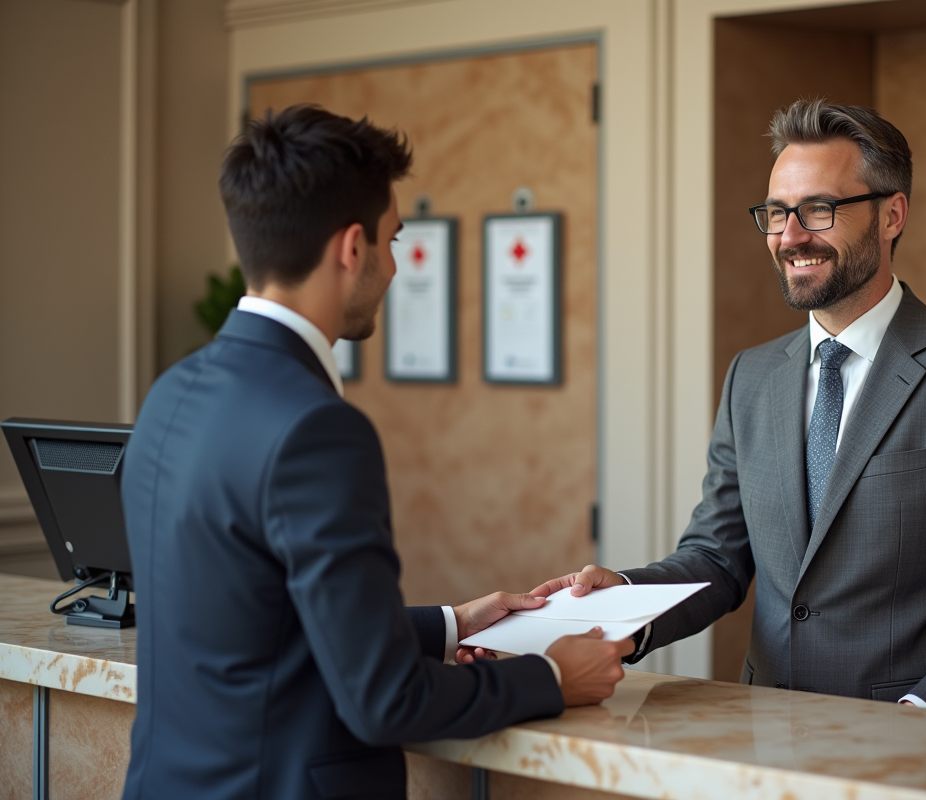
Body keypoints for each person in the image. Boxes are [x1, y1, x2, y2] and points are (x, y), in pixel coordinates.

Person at [120, 104, 632, 800]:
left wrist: (453, 623)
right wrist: (551, 676)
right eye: (393, 241)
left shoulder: (169, 393)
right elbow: (383, 700)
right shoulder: (316, 429)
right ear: (351, 247)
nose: (395, 268)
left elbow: (261, 628)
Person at [529, 99, 926, 714]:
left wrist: (924, 717)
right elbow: (717, 559)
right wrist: (623, 600)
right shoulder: (750, 376)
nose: (790, 237)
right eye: (777, 213)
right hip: (765, 738)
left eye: (819, 209)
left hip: (910, 745)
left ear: (892, 215)